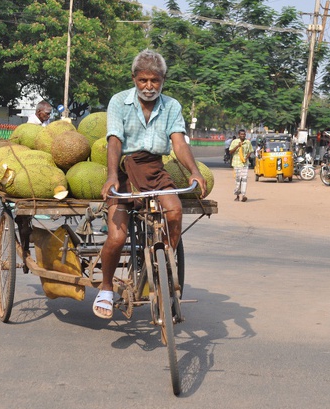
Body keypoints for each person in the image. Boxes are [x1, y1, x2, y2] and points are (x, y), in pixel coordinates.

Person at [94, 49, 207, 319]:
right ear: (134, 78)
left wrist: (194, 171)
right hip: (124, 170)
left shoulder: (172, 106)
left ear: (162, 80)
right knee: (118, 236)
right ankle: (106, 288)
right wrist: (111, 176)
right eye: (143, 80)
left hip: (155, 168)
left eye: (154, 81)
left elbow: (178, 142)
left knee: (174, 211)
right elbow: (114, 140)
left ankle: (163, 262)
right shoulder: (119, 102)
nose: (149, 86)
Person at [228, 129, 254, 202]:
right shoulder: (234, 141)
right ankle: (237, 195)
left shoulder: (248, 142)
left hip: (244, 163)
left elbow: (250, 151)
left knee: (244, 179)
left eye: (244, 134)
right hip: (236, 163)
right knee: (238, 179)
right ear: (239, 135)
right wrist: (237, 146)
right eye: (241, 134)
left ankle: (243, 195)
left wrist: (246, 157)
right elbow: (230, 152)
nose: (243, 135)